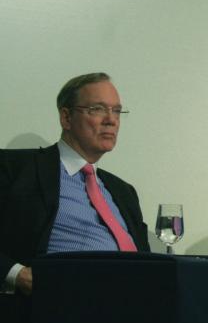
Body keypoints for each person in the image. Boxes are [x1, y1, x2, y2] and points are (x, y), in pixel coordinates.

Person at [0, 73, 150, 295]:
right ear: (66, 118)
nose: (111, 119)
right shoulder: (15, 168)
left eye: (116, 110)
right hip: (61, 304)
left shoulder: (123, 191)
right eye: (97, 109)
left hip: (133, 303)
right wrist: (18, 275)